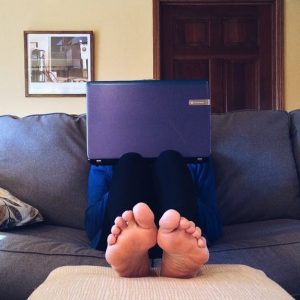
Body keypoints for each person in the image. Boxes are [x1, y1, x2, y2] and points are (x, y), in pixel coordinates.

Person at [85, 150, 223, 278]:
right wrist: (117, 190)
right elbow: (92, 225)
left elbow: (214, 226)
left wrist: (187, 192)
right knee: (129, 162)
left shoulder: (197, 152)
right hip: (124, 235)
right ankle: (132, 255)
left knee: (170, 159)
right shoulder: (104, 154)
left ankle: (176, 252)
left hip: (179, 235)